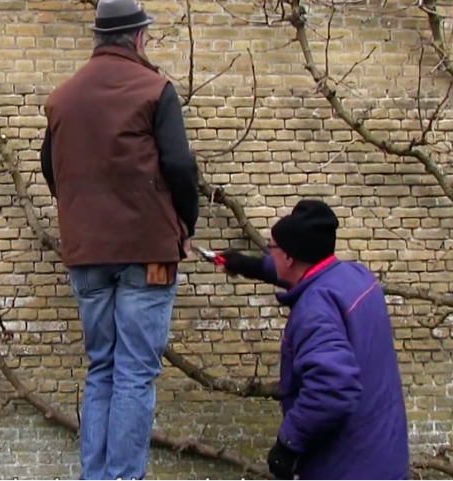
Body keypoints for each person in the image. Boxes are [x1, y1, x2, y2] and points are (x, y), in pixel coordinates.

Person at [40, 0, 199, 478]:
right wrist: (184, 226)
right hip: (148, 253)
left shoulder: (62, 98)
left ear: (98, 38)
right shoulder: (154, 89)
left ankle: (97, 475)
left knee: (102, 367)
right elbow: (181, 167)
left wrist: (81, 215)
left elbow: (52, 167)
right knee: (134, 371)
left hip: (86, 254)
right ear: (137, 38)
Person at [219, 200, 409, 480]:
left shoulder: (314, 310)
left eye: (273, 248)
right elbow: (301, 271)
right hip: (384, 453)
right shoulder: (355, 276)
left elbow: (331, 388)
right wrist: (246, 265)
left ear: (290, 257)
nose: (271, 253)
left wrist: (288, 444)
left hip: (347, 467)